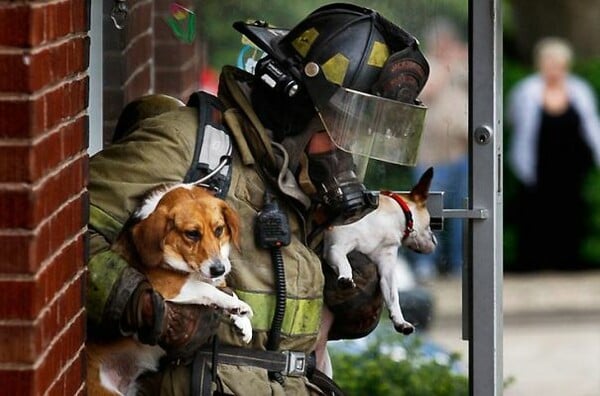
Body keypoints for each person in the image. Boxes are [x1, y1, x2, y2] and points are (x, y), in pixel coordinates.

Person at [87, 3, 430, 395]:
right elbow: (64, 236)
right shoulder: (188, 146)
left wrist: (338, 288)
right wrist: (143, 306)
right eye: (343, 128)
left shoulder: (297, 183)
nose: (348, 151)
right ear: (297, 107)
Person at [507, 37, 600, 271]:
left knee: (571, 214)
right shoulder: (527, 91)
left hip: (572, 167)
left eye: (558, 63)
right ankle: (535, 262)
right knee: (536, 215)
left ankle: (569, 261)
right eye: (549, 62)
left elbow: (591, 125)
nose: (553, 68)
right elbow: (513, 121)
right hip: (539, 167)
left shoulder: (579, 90)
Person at [409, 17, 469, 279]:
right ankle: (427, 263)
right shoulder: (428, 67)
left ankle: (459, 264)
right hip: (432, 155)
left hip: (461, 151)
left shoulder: (460, 66)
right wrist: (447, 64)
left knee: (463, 211)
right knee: (429, 212)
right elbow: (427, 92)